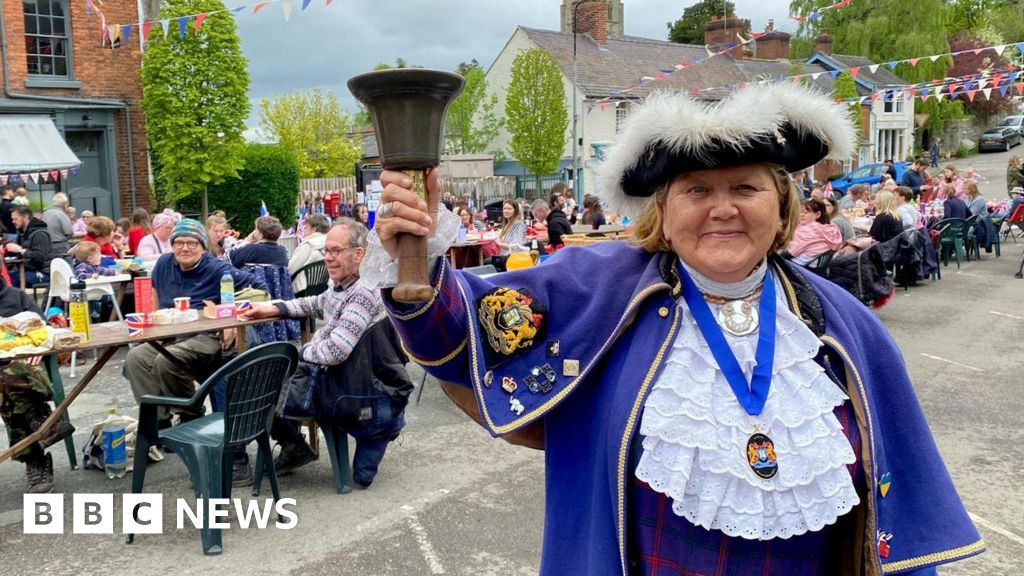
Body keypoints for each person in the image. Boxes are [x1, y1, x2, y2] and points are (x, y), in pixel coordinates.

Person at [365, 83, 982, 574]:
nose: (722, 208)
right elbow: (459, 336)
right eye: (696, 189)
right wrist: (413, 250)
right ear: (664, 207)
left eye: (745, 187)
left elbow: (888, 513)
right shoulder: (596, 284)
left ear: (782, 204)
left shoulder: (840, 322)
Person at [241, 219, 411, 486]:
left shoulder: (363, 292)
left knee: (266, 384)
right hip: (350, 378)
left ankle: (383, 423)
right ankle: (296, 446)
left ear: (358, 254)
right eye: (326, 251)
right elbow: (317, 303)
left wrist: (301, 352)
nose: (328, 258)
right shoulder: (343, 285)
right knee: (265, 383)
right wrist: (274, 308)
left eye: (336, 251)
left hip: (364, 388)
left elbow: (334, 351)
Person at [124, 219, 267, 481]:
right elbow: (155, 296)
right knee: (136, 358)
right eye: (179, 242)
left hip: (207, 335)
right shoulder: (164, 264)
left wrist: (234, 318)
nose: (184, 248)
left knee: (168, 361)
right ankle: (162, 421)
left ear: (203, 246)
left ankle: (191, 415)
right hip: (172, 332)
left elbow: (260, 289)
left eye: (192, 243)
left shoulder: (217, 268)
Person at [0, 278, 73, 492]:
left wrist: (37, 349)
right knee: (3, 382)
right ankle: (44, 423)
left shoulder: (17, 296)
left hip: (25, 362)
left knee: (11, 377)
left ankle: (36, 456)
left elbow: (44, 330)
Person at [4, 206, 54, 287]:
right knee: (4, 277)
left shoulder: (40, 233)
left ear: (25, 217)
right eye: (12, 219)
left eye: (15, 219)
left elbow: (40, 257)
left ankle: (15, 299)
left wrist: (20, 250)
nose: (13, 222)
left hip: (44, 273)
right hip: (27, 270)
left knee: (12, 279)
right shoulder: (23, 234)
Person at [787, 198, 843, 265]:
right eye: (800, 212)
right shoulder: (831, 227)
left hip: (799, 268)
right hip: (818, 268)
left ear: (818, 214)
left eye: (805, 212)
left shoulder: (807, 231)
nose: (801, 215)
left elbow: (789, 253)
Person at [288, 213, 330, 294]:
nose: (305, 232)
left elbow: (290, 269)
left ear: (314, 229)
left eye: (306, 228)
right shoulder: (330, 243)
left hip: (303, 289)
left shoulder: (308, 245)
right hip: (324, 287)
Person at [485, 200, 526, 271]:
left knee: (487, 262)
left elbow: (517, 246)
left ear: (515, 211)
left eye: (509, 209)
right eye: (505, 208)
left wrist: (501, 244)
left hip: (513, 257)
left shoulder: (518, 224)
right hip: (505, 256)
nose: (506, 211)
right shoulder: (507, 224)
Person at [41, 193, 74, 257]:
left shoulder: (45, 213)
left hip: (47, 245)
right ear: (64, 204)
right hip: (60, 245)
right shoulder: (61, 214)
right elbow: (69, 232)